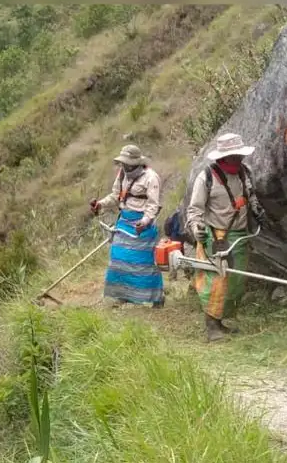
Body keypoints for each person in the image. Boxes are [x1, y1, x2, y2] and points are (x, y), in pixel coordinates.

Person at [185, 133, 268, 342]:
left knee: (235, 282)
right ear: (223, 157)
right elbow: (194, 210)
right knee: (216, 282)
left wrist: (257, 209)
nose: (238, 159)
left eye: (240, 155)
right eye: (234, 156)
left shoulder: (244, 173)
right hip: (216, 237)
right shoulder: (206, 177)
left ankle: (220, 322)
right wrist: (196, 228)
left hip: (239, 236)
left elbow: (250, 195)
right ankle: (211, 327)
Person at [90, 144, 165, 308]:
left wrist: (144, 222)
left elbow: (153, 205)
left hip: (142, 225)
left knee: (144, 264)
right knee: (119, 259)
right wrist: (100, 204)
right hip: (124, 222)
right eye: (123, 163)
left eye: (127, 163)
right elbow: (116, 196)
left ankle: (155, 298)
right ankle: (123, 296)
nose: (124, 166)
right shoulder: (122, 174)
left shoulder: (151, 178)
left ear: (137, 162)